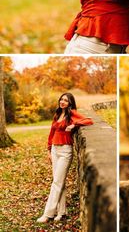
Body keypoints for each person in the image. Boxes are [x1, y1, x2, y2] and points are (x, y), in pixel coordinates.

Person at [37, 93, 93, 223]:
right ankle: (61, 213)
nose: (62, 102)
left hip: (65, 151)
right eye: (61, 99)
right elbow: (52, 133)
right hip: (55, 150)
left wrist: (75, 125)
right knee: (59, 182)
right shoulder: (57, 114)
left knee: (56, 182)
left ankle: (48, 214)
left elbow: (89, 120)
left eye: (66, 101)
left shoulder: (71, 113)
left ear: (70, 103)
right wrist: (49, 150)